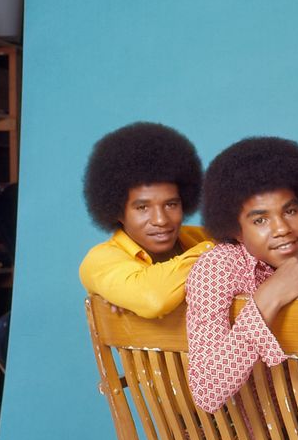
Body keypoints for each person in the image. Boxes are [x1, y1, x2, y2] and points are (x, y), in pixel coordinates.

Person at [185, 136, 298, 413]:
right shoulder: (218, 267)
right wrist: (268, 298)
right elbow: (207, 390)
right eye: (260, 220)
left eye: (290, 211)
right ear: (235, 229)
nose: (282, 228)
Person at [80, 122, 211, 317]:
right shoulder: (99, 261)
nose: (160, 220)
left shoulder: (199, 238)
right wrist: (218, 252)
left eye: (171, 204)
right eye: (142, 208)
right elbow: (155, 299)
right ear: (117, 211)